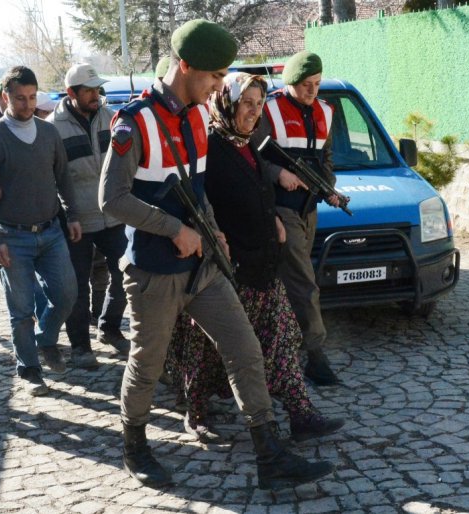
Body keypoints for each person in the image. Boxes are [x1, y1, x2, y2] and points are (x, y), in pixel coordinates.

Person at [99, 19, 333, 490]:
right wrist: (175, 229)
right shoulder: (135, 122)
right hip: (153, 269)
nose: (218, 86)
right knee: (147, 361)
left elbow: (198, 187)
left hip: (202, 265)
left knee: (245, 347)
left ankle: (269, 454)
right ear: (185, 67)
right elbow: (111, 200)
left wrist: (210, 228)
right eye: (212, 76)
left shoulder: (196, 119)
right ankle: (135, 447)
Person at [167, 72, 345, 444]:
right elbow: (198, 201)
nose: (253, 111)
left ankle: (301, 414)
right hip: (224, 271)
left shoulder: (249, 144)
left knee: (281, 338)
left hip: (262, 266)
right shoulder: (210, 149)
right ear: (227, 103)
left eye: (259, 104)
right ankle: (196, 412)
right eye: (246, 103)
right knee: (211, 350)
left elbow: (261, 188)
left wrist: (277, 218)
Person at [0, 66, 81, 396]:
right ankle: (29, 368)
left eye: (32, 97)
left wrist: (72, 215)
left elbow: (63, 177)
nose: (27, 104)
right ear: (6, 97)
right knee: (21, 310)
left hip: (51, 232)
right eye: (20, 98)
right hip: (12, 237)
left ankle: (45, 340)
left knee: (66, 295)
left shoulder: (49, 134)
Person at [255, 51, 341, 386]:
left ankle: (280, 346)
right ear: (291, 82)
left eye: (317, 84)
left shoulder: (326, 111)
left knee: (290, 280)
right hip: (281, 207)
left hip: (309, 207)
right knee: (304, 282)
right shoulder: (270, 108)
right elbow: (251, 152)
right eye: (306, 85)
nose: (312, 91)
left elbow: (326, 158)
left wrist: (328, 188)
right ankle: (316, 356)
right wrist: (278, 173)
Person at [48, 63, 129, 369]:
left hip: (115, 215)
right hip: (77, 220)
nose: (97, 95)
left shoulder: (113, 119)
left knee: (127, 272)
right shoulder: (52, 128)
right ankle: (80, 346)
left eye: (98, 89)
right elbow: (50, 178)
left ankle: (109, 327)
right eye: (89, 90)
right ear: (71, 93)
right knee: (77, 286)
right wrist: (67, 215)